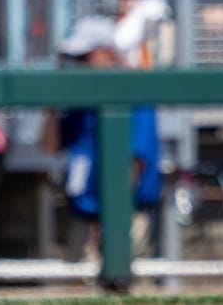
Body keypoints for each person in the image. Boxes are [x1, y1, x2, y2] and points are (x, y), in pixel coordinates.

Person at [40, 16, 162, 262]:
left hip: (124, 216)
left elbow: (133, 164)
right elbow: (49, 146)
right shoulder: (81, 103)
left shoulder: (133, 92)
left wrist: (112, 220)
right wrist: (52, 105)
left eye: (84, 57)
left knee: (124, 291)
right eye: (74, 59)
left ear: (107, 54)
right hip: (85, 215)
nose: (77, 64)